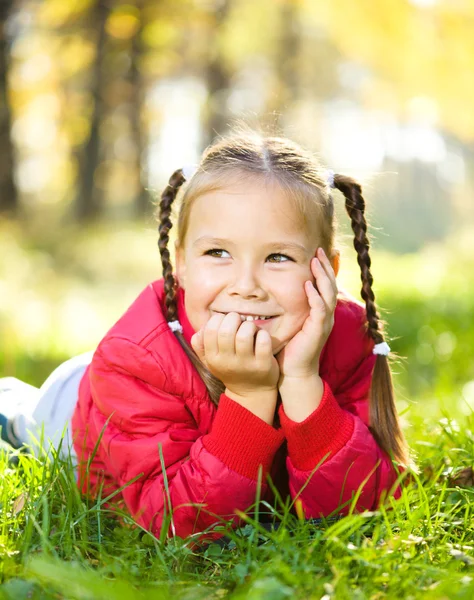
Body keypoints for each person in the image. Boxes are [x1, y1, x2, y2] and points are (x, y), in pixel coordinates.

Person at [0, 130, 414, 543]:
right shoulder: (135, 361)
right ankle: (13, 409)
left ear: (327, 268)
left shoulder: (347, 337)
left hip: (139, 380)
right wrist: (250, 396)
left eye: (278, 257)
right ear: (180, 263)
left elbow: (365, 504)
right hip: (82, 407)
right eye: (218, 253)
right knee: (34, 424)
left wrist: (301, 379)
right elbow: (172, 522)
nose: (246, 285)